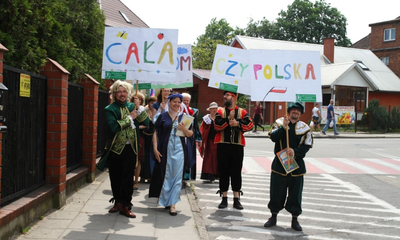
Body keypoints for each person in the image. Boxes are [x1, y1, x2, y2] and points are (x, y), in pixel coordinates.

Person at [264, 102, 313, 231]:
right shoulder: (279, 123)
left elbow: (306, 146)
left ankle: (295, 219)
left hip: (296, 167)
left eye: (298, 110)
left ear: (300, 113)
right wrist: (283, 128)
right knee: (276, 192)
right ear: (289, 111)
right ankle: (273, 217)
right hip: (279, 165)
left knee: (295, 194)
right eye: (293, 110)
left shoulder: (304, 128)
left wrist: (295, 152)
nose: (295, 112)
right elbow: (273, 137)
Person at [104, 80, 149, 218]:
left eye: (124, 92)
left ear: (128, 93)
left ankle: (126, 205)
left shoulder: (132, 106)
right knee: (115, 176)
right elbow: (113, 127)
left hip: (131, 148)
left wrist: (138, 107)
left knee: (128, 177)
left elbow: (146, 123)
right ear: (114, 94)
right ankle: (117, 202)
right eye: (119, 92)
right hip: (115, 148)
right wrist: (130, 118)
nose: (122, 94)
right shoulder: (109, 109)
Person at [149, 93, 193, 216]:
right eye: (174, 101)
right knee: (166, 175)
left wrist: (184, 130)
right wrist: (155, 149)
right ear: (170, 102)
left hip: (179, 151)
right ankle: (167, 200)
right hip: (165, 150)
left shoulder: (185, 117)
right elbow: (156, 133)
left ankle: (173, 204)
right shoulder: (162, 116)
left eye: (179, 102)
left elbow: (190, 134)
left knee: (177, 177)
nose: (177, 104)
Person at [214, 91, 253, 210]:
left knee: (236, 171)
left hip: (237, 145)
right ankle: (224, 198)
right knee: (223, 171)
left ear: (234, 98)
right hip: (223, 145)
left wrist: (237, 123)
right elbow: (216, 125)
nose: (224, 97)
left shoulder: (242, 112)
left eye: (227, 95)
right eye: (224, 95)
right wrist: (228, 120)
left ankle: (236, 199)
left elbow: (250, 125)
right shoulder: (220, 111)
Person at [182, 93, 202, 180]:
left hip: (190, 137)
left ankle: (188, 177)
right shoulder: (177, 110)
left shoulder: (193, 111)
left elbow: (196, 126)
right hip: (180, 137)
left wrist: (199, 139)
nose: (186, 102)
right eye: (184, 100)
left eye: (187, 100)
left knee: (189, 156)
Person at [131, 92, 148, 191]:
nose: (137, 101)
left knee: (138, 160)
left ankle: (136, 181)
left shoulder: (142, 110)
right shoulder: (128, 108)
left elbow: (146, 123)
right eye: (135, 99)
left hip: (139, 136)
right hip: (128, 137)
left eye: (140, 99)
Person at [198, 102, 219, 182]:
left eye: (215, 108)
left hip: (218, 141)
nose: (214, 110)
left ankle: (217, 175)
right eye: (213, 108)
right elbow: (202, 129)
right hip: (209, 141)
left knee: (217, 158)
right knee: (209, 158)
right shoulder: (206, 119)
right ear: (210, 109)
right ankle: (209, 175)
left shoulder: (219, 118)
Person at [141, 96, 157, 178]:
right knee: (145, 156)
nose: (153, 105)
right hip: (145, 135)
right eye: (151, 103)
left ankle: (151, 176)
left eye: (154, 103)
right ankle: (144, 176)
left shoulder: (157, 111)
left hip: (153, 136)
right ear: (148, 103)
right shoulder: (145, 110)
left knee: (152, 155)